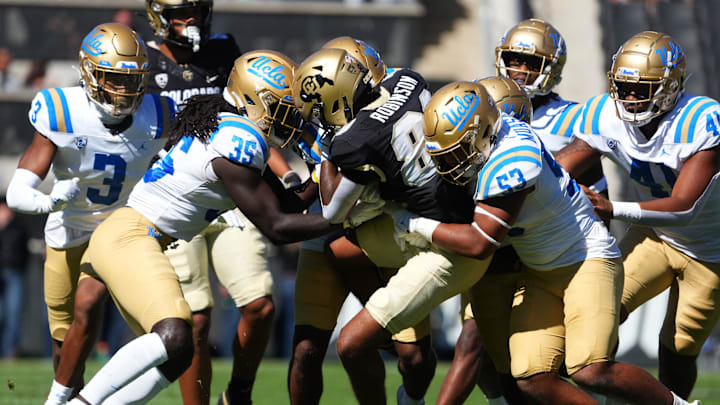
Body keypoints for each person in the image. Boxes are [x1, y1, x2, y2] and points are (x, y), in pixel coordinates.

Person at [393, 80, 699, 405]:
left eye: (457, 150)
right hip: (541, 271)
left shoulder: (512, 161)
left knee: (590, 369)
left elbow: (479, 242)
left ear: (481, 132)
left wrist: (414, 223)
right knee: (531, 378)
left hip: (586, 260)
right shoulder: (498, 131)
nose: (450, 162)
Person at [65, 48, 335, 405]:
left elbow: (286, 205)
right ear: (255, 100)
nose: (291, 120)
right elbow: (277, 228)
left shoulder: (228, 128)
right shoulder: (238, 139)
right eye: (284, 108)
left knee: (178, 354)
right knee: (176, 334)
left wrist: (321, 171)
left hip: (132, 235)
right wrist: (341, 218)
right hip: (132, 237)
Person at [292, 47, 490, 405]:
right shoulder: (409, 81)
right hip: (452, 209)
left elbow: (333, 211)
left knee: (342, 237)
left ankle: (382, 323)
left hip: (430, 235)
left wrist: (326, 150)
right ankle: (381, 320)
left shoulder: (353, 141)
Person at [3, 22, 175, 405]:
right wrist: (50, 201)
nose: (123, 91)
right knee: (64, 341)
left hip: (121, 228)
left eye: (132, 81)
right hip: (67, 230)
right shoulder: (62, 110)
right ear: (89, 73)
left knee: (88, 304)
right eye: (112, 79)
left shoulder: (160, 113)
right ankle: (70, 394)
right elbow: (17, 193)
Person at [555, 30, 720, 401]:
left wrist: (610, 208)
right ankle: (603, 391)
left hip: (710, 251)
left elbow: (684, 207)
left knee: (677, 351)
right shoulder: (604, 114)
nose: (629, 97)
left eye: (641, 87)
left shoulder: (702, 120)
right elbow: (559, 168)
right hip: (654, 238)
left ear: (670, 87)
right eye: (623, 85)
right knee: (597, 316)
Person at [144, 2, 288, 404]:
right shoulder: (143, 58)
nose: (189, 20)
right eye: (179, 11)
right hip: (176, 195)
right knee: (195, 318)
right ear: (158, 15)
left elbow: (252, 118)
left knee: (259, 303)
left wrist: (285, 173)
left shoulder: (224, 50)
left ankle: (238, 393)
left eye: (195, 9)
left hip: (230, 192)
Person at [287, 37, 433, 405]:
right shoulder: (321, 108)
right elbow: (329, 206)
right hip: (334, 230)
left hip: (391, 227)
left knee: (413, 356)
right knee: (307, 348)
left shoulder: (396, 90)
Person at [436, 76, 531, 405]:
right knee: (487, 357)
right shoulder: (464, 154)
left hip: (517, 261)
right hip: (484, 263)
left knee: (477, 349)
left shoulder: (518, 157)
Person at [0, 196, 29, 358]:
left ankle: (9, 352)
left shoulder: (19, 226)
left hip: (14, 273)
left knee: (13, 314)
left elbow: (22, 252)